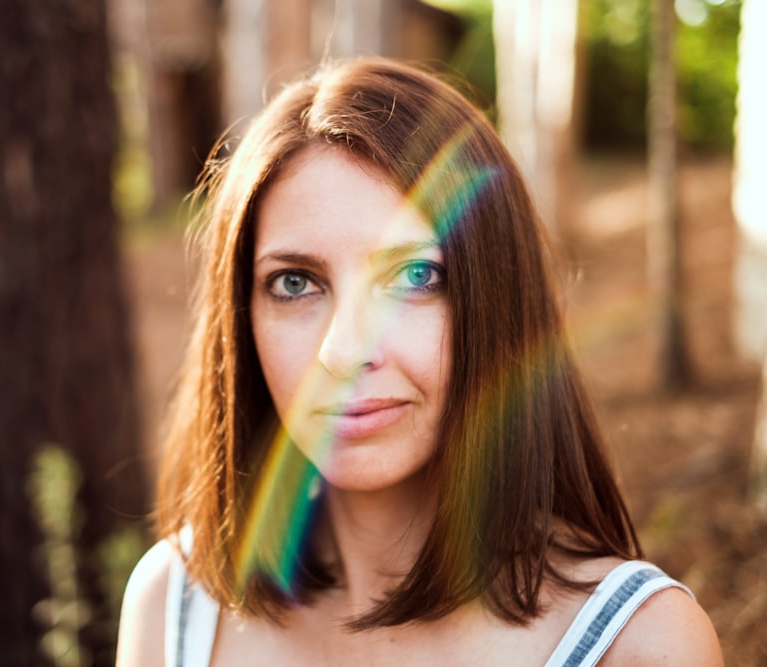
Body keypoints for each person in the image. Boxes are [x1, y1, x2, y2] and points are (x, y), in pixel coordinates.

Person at [116, 57, 722, 666]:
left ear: (495, 301)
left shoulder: (638, 644)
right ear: (241, 321)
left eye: (414, 275)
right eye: (295, 283)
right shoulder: (174, 607)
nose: (344, 352)